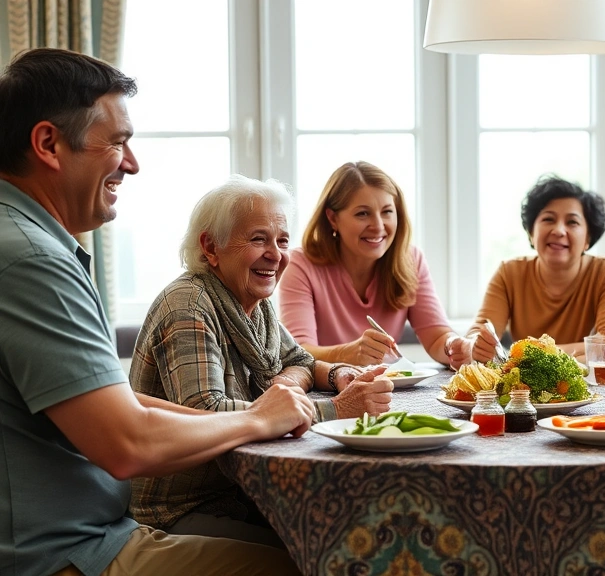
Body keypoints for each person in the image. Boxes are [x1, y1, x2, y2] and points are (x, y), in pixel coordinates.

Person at [0, 48, 307, 575]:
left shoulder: (24, 240)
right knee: (318, 562)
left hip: (90, 533)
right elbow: (127, 443)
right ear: (49, 144)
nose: (133, 163)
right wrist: (257, 419)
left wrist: (264, 420)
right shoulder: (30, 258)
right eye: (118, 142)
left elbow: (117, 405)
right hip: (61, 555)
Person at [130, 175, 394, 545]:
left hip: (239, 494)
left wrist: (339, 375)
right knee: (315, 548)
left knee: (350, 527)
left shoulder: (255, 304)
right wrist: (334, 409)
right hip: (182, 508)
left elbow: (299, 359)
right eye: (258, 239)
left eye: (282, 240)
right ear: (211, 247)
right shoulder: (189, 305)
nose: (276, 254)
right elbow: (205, 412)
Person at [278, 161, 473, 368]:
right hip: (325, 390)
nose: (378, 226)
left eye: (387, 212)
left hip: (385, 389)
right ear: (333, 218)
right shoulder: (300, 265)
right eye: (363, 213)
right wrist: (348, 353)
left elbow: (436, 338)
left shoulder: (411, 260)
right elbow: (299, 352)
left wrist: (454, 346)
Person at [466, 175, 605, 361]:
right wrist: (473, 345)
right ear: (531, 233)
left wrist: (527, 354)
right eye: (548, 219)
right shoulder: (509, 273)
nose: (559, 231)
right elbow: (479, 336)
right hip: (523, 387)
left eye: (572, 222)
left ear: (587, 239)